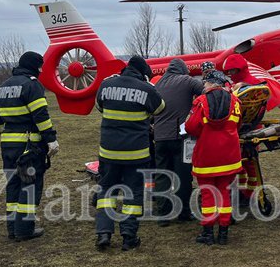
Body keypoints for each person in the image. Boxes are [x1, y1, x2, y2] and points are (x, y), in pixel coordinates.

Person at [94, 56, 164, 251]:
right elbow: (160, 108)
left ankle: (103, 233)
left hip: (108, 152)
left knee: (106, 191)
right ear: (143, 74)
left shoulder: (106, 84)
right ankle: (128, 236)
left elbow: (100, 106)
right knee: (133, 195)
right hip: (136, 154)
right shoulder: (147, 88)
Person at [0, 51, 60, 241]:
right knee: (30, 185)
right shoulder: (32, 85)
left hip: (8, 143)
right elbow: (40, 115)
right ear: (35, 66)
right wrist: (50, 138)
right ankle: (24, 229)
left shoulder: (3, 86)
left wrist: (7, 135)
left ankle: (12, 228)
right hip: (28, 144)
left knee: (13, 184)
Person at [184, 71, 243, 245]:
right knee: (225, 192)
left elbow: (191, 127)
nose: (203, 86)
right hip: (230, 155)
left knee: (208, 193)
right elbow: (239, 124)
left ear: (211, 83)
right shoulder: (236, 102)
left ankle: (208, 232)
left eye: (205, 83)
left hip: (207, 156)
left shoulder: (200, 102)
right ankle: (223, 232)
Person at [152, 58, 203, 224]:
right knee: (183, 176)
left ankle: (163, 215)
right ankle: (184, 213)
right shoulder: (187, 81)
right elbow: (207, 91)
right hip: (181, 138)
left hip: (159, 138)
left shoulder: (158, 85)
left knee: (162, 176)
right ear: (183, 70)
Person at [222, 54, 269, 207]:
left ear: (239, 69)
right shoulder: (246, 84)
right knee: (241, 166)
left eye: (232, 71)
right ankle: (243, 193)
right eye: (228, 72)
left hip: (246, 129)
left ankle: (248, 195)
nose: (230, 74)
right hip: (242, 128)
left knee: (249, 164)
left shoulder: (251, 85)